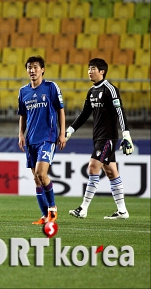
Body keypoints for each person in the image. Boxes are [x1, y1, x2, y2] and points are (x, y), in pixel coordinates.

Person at [67, 58, 133, 220]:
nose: (90, 71)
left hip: (108, 137)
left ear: (102, 71)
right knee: (111, 172)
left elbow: (120, 112)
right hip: (98, 137)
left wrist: (126, 135)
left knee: (93, 166)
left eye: (93, 68)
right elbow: (84, 114)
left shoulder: (110, 89)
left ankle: (83, 208)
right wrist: (70, 130)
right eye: (89, 68)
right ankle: (122, 211)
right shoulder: (91, 92)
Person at [17, 56, 66, 225]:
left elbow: (60, 110)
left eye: (35, 67)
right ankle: (45, 216)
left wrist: (62, 133)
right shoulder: (23, 91)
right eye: (29, 67)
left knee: (41, 174)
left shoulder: (51, 87)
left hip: (47, 137)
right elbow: (23, 115)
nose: (32, 70)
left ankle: (52, 209)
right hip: (31, 139)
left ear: (42, 69)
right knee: (36, 179)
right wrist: (21, 134)